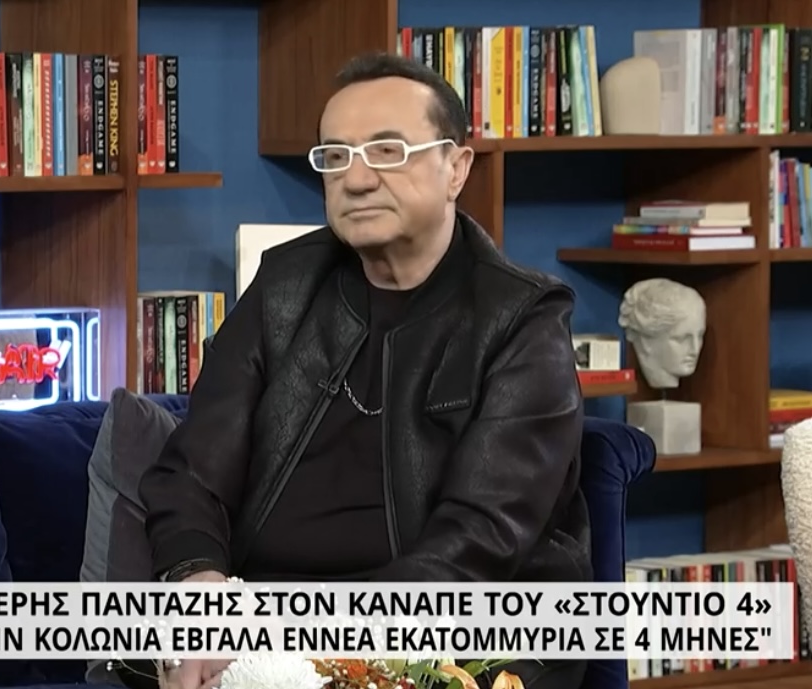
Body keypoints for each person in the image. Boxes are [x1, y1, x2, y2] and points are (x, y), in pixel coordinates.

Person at [138, 52, 591, 689]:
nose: (355, 179)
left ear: (456, 168)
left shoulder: (522, 318)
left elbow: (479, 541)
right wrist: (198, 585)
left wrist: (310, 644)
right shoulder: (284, 287)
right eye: (335, 156)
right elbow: (190, 474)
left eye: (386, 151)